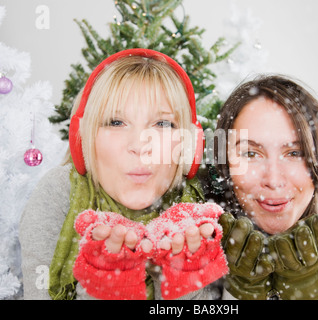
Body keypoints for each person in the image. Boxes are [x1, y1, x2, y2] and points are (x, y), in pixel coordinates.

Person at [19, 49, 228, 300]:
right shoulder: (58, 194)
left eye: (162, 124)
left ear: (188, 145)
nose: (139, 146)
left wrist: (184, 290)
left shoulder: (204, 206)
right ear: (83, 139)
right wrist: (102, 290)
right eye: (116, 122)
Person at [209, 74, 318, 300]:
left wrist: (307, 293)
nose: (273, 181)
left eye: (294, 153)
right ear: (222, 167)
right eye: (251, 154)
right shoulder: (201, 230)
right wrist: (241, 292)